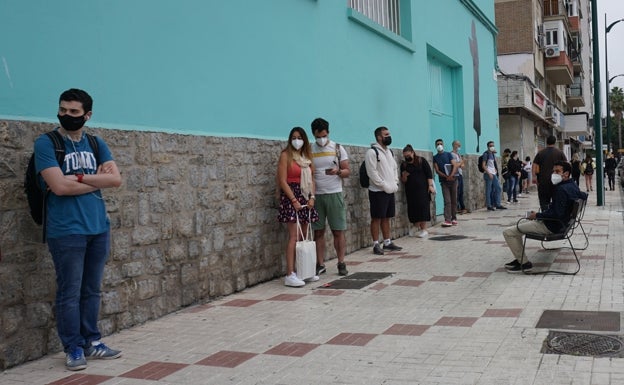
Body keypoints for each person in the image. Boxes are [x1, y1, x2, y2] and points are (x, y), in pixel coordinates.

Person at [34, 89, 122, 370]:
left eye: (74, 112)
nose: (67, 116)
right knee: (69, 292)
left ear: (88, 115)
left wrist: (80, 177)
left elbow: (116, 179)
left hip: (98, 227)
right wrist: (98, 180)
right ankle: (73, 347)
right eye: (63, 110)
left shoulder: (96, 144)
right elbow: (58, 187)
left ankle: (92, 341)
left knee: (92, 290)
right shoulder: (47, 144)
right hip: (66, 230)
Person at [502, 161, 587, 273]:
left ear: (566, 174)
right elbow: (584, 195)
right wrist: (539, 215)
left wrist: (537, 215)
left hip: (551, 225)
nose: (554, 174)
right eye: (553, 171)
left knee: (508, 232)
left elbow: (557, 214)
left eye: (557, 171)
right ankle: (520, 259)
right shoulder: (572, 185)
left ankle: (524, 263)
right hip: (561, 224)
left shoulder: (561, 189)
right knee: (518, 225)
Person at [277, 127, 320, 287]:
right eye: (294, 137)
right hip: (291, 196)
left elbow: (313, 178)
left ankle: (304, 270)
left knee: (304, 236)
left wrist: (312, 197)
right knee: (294, 237)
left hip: (306, 195)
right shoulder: (286, 156)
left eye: (300, 137)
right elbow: (282, 180)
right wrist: (294, 200)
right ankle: (290, 273)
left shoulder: (307, 157)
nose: (297, 140)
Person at [309, 118, 349, 276]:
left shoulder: (338, 148)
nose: (321, 139)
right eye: (318, 136)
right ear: (313, 134)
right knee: (318, 232)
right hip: (316, 196)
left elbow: (347, 171)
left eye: (324, 136)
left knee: (338, 231)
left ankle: (341, 262)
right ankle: (320, 263)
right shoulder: (310, 150)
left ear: (328, 133)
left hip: (334, 194)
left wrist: (337, 171)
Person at [365, 126, 402, 255]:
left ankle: (387, 242)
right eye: (386, 134)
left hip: (390, 190)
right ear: (379, 137)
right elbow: (372, 172)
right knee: (376, 218)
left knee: (386, 217)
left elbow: (394, 169)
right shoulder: (372, 152)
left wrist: (395, 182)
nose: (389, 136)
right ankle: (376, 244)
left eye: (389, 134)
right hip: (377, 191)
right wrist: (383, 185)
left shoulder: (389, 152)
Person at [400, 144, 435, 237]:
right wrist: (404, 176)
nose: (407, 157)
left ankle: (424, 229)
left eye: (408, 155)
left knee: (423, 208)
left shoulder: (421, 161)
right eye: (405, 156)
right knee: (413, 209)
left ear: (412, 153)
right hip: (411, 191)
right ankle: (415, 226)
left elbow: (429, 174)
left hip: (423, 190)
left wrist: (430, 186)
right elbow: (403, 180)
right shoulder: (404, 165)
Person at [532, 135, 567, 211]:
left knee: (543, 200)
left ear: (546, 142)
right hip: (557, 181)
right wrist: (564, 177)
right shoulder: (559, 152)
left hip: (543, 181)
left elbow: (534, 165)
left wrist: (534, 177)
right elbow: (566, 165)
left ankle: (545, 215)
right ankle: (554, 215)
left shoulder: (540, 153)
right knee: (556, 199)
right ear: (555, 142)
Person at [432, 138, 459, 226]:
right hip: (444, 181)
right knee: (447, 200)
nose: (439, 145)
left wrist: (451, 175)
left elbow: (455, 165)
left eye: (441, 143)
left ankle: (454, 218)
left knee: (454, 200)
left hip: (454, 180)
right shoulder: (435, 157)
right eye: (438, 144)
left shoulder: (448, 155)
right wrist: (446, 176)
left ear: (443, 145)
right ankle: (447, 219)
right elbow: (437, 170)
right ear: (436, 146)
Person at [481, 141, 506, 211]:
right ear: (488, 146)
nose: (492, 147)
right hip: (488, 174)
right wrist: (489, 173)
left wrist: (494, 169)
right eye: (491, 146)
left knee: (498, 188)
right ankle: (489, 205)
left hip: (493, 173)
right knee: (489, 190)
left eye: (493, 145)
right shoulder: (485, 154)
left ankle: (498, 204)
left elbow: (491, 163)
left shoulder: (492, 154)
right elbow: (483, 165)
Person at [451, 140, 468, 214]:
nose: (459, 147)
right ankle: (456, 208)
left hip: (460, 174)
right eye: (458, 145)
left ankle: (462, 207)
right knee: (456, 192)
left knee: (461, 192)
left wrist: (461, 163)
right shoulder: (451, 154)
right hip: (455, 175)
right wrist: (461, 162)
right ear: (454, 145)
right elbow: (456, 165)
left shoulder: (458, 155)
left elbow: (462, 166)